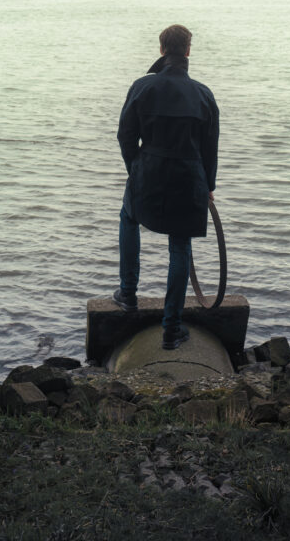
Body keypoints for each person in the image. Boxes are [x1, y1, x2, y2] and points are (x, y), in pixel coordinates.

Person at [114, 24, 219, 350]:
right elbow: (209, 150)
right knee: (180, 248)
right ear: (188, 51)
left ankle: (128, 295)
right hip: (189, 179)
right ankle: (171, 329)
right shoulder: (203, 94)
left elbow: (125, 135)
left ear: (161, 50)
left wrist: (137, 168)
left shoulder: (143, 86)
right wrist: (209, 186)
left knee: (129, 218)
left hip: (147, 173)